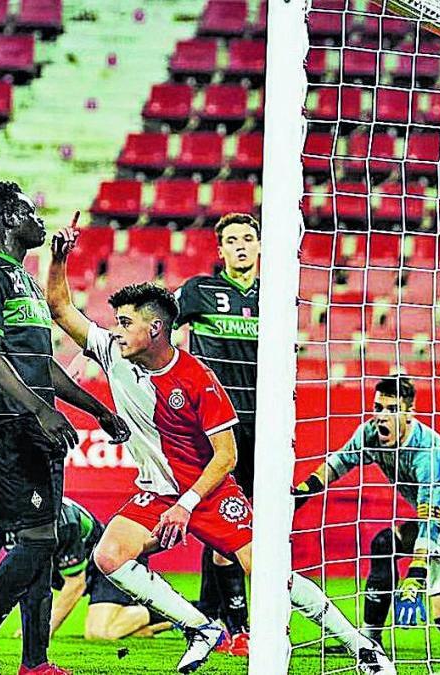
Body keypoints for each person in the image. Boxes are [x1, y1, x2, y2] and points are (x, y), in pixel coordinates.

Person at [47, 225, 394, 675]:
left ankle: (360, 647)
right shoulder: (114, 353)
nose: (116, 331)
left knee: (269, 574)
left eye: (125, 323)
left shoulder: (198, 381)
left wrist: (187, 505)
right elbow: (59, 307)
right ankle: (201, 627)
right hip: (157, 492)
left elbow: (226, 457)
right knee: (108, 555)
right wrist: (59, 257)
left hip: (207, 492)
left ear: (155, 329)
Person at [0, 182, 130, 675]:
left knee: (43, 545)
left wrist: (97, 409)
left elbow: (42, 365)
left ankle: (35, 662)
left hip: (33, 432)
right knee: (38, 541)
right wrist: (42, 412)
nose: (38, 217)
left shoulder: (23, 280)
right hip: (0, 429)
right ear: (7, 219)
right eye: (29, 210)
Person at [293, 375, 440, 646]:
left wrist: (416, 572)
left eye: (392, 410)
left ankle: (368, 639)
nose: (382, 416)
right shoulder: (370, 433)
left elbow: (430, 516)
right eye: (378, 408)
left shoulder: (428, 450)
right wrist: (302, 492)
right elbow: (339, 462)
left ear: (409, 413)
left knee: (386, 542)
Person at [173, 213, 260, 653]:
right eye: (232, 240)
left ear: (261, 246)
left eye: (248, 238)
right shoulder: (199, 291)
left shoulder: (278, 294)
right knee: (226, 524)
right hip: (217, 428)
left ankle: (217, 617)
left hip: (268, 426)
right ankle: (240, 628)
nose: (241, 246)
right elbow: (155, 325)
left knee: (257, 527)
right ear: (220, 250)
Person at [0, 497, 171, 642]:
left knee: (100, 633)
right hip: (66, 568)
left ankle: (165, 612)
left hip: (107, 561)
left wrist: (43, 631)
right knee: (117, 629)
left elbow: (75, 584)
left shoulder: (62, 522)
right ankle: (138, 623)